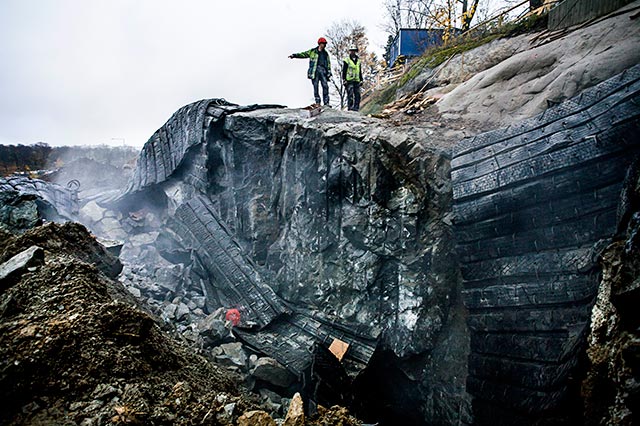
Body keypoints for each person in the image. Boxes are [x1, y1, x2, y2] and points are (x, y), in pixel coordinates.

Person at [289, 37, 332, 107]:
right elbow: (304, 54)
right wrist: (294, 55)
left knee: (325, 86)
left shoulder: (326, 54)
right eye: (323, 44)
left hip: (323, 70)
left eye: (325, 44)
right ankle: (317, 102)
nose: (324, 45)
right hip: (314, 71)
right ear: (320, 44)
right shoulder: (313, 51)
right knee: (316, 86)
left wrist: (329, 72)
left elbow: (328, 63)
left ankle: (326, 103)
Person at [342, 46, 363, 111]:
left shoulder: (358, 60)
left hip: (357, 80)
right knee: (350, 94)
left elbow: (359, 71)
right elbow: (344, 70)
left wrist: (361, 79)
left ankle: (356, 108)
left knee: (358, 95)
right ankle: (350, 108)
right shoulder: (347, 60)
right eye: (352, 50)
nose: (353, 52)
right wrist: (344, 79)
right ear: (350, 51)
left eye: (354, 50)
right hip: (349, 80)